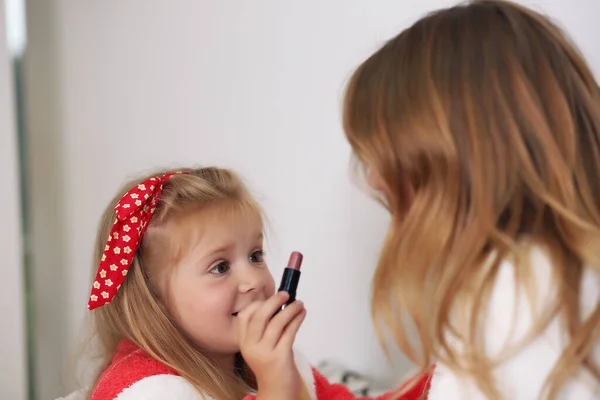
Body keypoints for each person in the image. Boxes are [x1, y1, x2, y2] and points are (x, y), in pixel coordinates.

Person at [341, 0, 600, 398]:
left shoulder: (517, 299)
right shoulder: (552, 276)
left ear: (462, 151)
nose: (375, 181)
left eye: (389, 158)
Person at [60, 167, 430, 400]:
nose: (254, 280)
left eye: (256, 256)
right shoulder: (150, 391)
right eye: (220, 267)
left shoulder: (258, 362)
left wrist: (441, 379)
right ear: (153, 300)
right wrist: (275, 390)